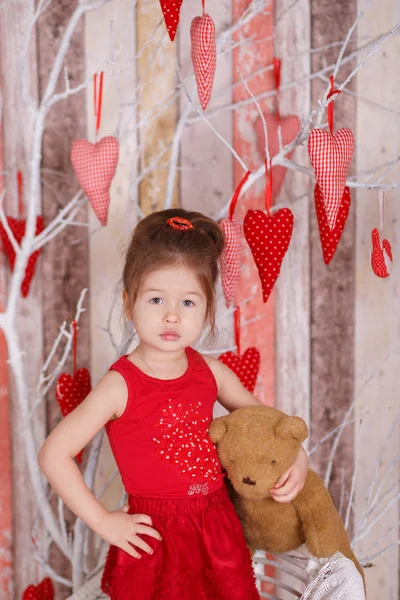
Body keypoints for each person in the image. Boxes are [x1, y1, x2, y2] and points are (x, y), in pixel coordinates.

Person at [38, 208, 309, 600]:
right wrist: (103, 522)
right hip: (155, 539)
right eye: (156, 299)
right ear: (129, 305)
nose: (171, 315)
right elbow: (54, 454)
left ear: (207, 309)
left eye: (187, 303)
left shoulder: (211, 373)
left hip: (216, 529)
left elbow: (270, 427)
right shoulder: (120, 386)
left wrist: (297, 457)